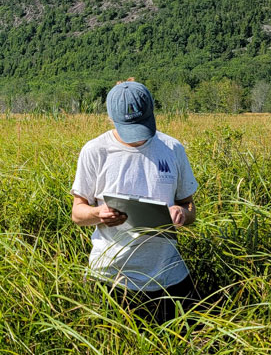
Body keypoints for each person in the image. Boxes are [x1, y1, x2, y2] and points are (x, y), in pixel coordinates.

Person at [70, 80, 199, 322]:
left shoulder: (172, 148)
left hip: (168, 277)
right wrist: (99, 213)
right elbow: (77, 213)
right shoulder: (95, 151)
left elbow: (189, 206)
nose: (137, 139)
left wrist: (182, 213)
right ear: (111, 118)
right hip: (111, 278)